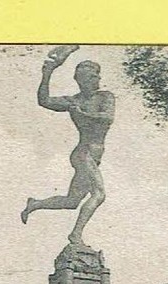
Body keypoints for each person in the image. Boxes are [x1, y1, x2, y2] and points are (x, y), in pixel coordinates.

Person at [21, 47, 115, 246]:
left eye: (96, 76)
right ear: (81, 80)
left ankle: (35, 204)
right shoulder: (73, 101)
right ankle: (75, 235)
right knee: (99, 194)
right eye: (91, 77)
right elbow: (44, 101)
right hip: (83, 153)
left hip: (93, 156)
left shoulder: (105, 97)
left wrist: (81, 113)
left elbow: (106, 118)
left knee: (72, 202)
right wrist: (47, 74)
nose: (96, 80)